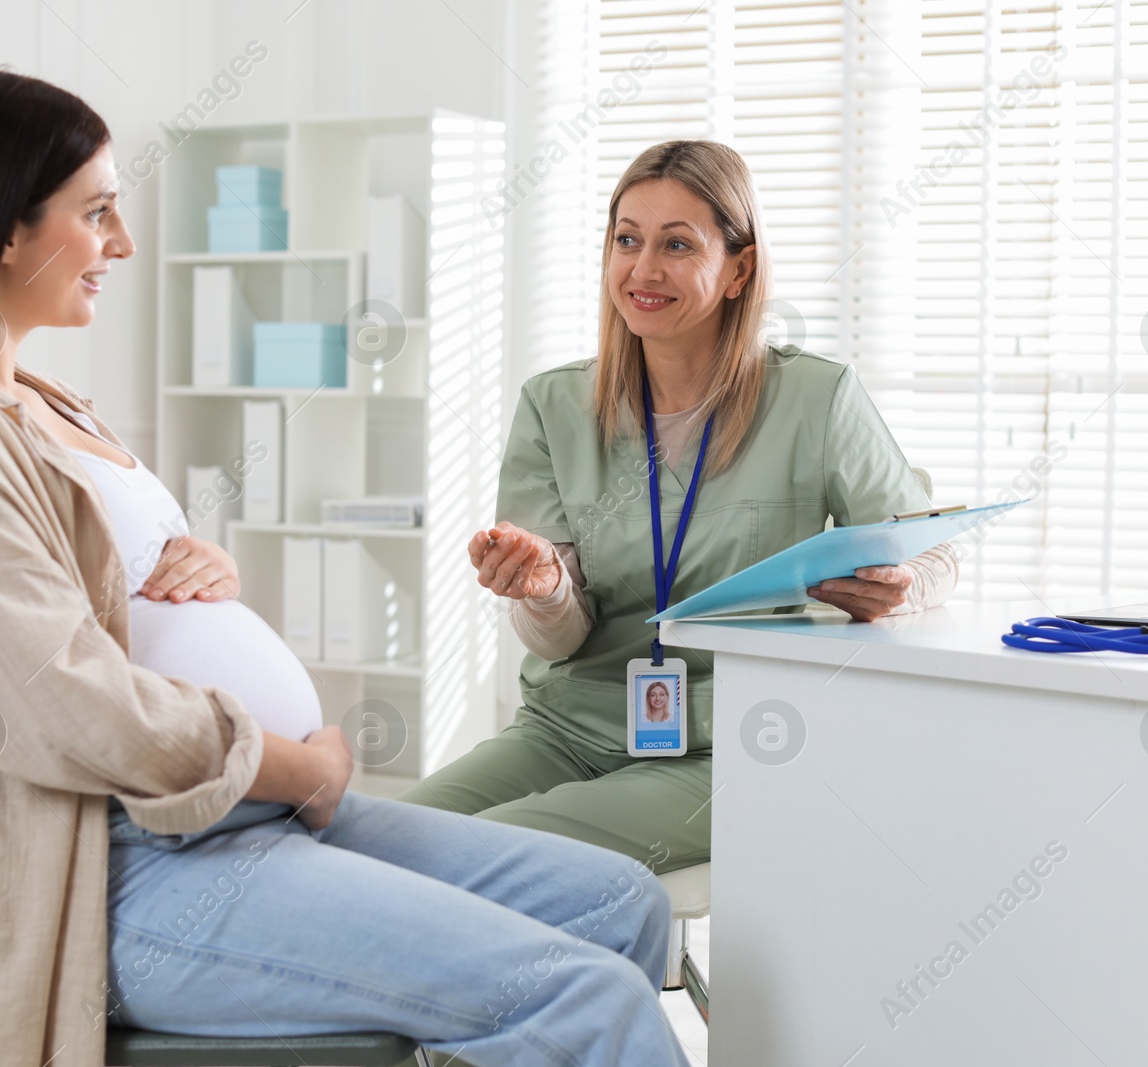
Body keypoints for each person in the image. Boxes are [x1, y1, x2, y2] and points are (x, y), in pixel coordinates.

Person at [0, 68, 692, 1067]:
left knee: (620, 902)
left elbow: (111, 595)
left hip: (255, 822)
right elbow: (62, 702)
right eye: (97, 213)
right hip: (130, 869)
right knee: (583, 998)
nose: (123, 243)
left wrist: (195, 564)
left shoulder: (40, 399)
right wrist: (300, 760)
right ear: (5, 227)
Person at [399, 140, 958, 875]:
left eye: (677, 244)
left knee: (483, 855)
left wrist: (903, 587)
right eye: (626, 240)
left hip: (735, 740)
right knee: (378, 845)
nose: (643, 269)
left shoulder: (817, 400)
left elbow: (936, 551)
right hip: (569, 725)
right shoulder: (553, 403)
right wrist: (544, 589)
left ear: (739, 269)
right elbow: (559, 641)